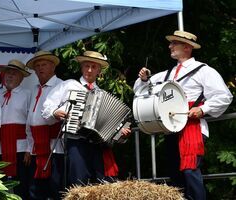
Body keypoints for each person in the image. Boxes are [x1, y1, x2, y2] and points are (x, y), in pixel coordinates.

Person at [134, 30, 233, 200]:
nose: (170, 46)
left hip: (192, 127)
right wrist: (144, 80)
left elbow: (224, 96)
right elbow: (140, 91)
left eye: (174, 43)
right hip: (171, 128)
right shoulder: (167, 74)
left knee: (190, 172)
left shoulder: (203, 70)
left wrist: (203, 109)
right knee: (176, 176)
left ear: (187, 47)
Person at [42, 50, 131, 188]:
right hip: (75, 140)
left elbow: (115, 130)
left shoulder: (101, 94)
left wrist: (121, 133)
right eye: (86, 66)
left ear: (99, 71)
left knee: (98, 184)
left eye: (94, 67)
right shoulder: (69, 85)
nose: (89, 70)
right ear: (81, 67)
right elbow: (47, 107)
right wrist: (55, 112)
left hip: (97, 144)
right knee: (79, 181)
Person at [0, 59, 31, 199]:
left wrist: (29, 149)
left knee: (22, 187)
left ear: (21, 77)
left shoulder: (27, 95)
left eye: (14, 74)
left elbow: (30, 122)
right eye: (8, 73)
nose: (9, 76)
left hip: (20, 148)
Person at [25, 51, 63, 200]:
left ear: (53, 67)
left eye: (44, 65)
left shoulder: (61, 85)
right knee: (35, 190)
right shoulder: (34, 89)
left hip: (54, 147)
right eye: (38, 66)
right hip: (36, 147)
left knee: (55, 188)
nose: (40, 68)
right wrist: (29, 147)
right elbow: (30, 120)